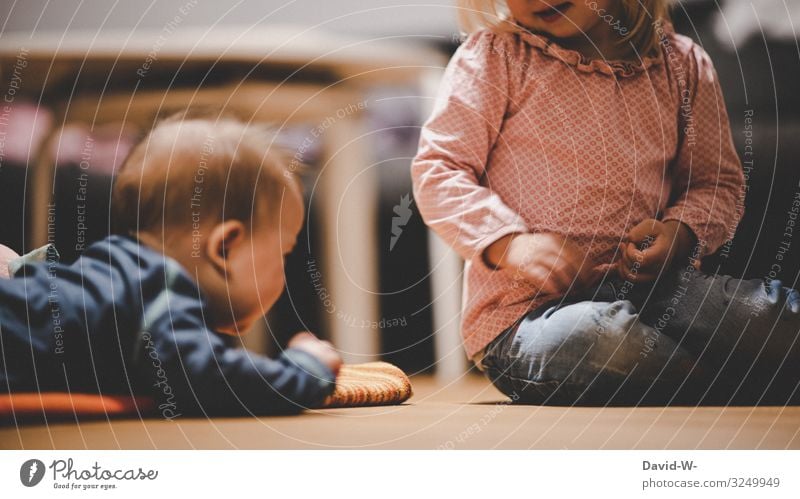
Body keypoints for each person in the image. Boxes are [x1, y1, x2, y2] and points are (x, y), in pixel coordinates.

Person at [411, 0, 799, 405]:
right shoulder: (496, 56)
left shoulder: (682, 65)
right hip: (526, 318)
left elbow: (716, 184)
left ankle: (705, 375)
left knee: (761, 317)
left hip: (660, 292)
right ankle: (740, 381)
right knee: (596, 341)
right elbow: (440, 170)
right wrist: (510, 243)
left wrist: (680, 235)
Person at [0, 110, 342, 417]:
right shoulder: (159, 292)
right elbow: (209, 378)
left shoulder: (117, 275)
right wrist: (306, 371)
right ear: (225, 247)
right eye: (283, 252)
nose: (284, 267)